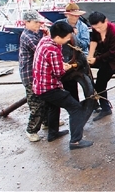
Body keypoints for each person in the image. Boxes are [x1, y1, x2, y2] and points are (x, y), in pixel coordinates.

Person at [33, 21, 93, 150]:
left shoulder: (45, 40)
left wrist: (61, 64)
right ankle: (75, 141)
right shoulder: (53, 50)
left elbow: (54, 65)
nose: (68, 40)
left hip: (39, 85)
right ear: (59, 37)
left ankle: (53, 133)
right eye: (67, 38)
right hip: (49, 87)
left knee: (53, 106)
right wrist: (69, 66)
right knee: (76, 108)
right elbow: (59, 73)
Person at [19, 10, 48, 141]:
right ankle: (31, 130)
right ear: (27, 22)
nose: (38, 25)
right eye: (36, 22)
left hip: (38, 73)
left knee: (45, 98)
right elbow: (41, 49)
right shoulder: (28, 37)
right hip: (30, 75)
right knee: (36, 103)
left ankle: (46, 122)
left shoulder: (36, 34)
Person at [57, 2, 90, 101]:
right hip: (65, 58)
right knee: (69, 83)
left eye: (77, 15)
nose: (75, 17)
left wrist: (74, 37)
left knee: (88, 83)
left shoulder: (83, 27)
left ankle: (93, 103)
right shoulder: (59, 25)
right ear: (66, 14)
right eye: (72, 15)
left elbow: (85, 44)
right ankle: (75, 103)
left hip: (80, 57)